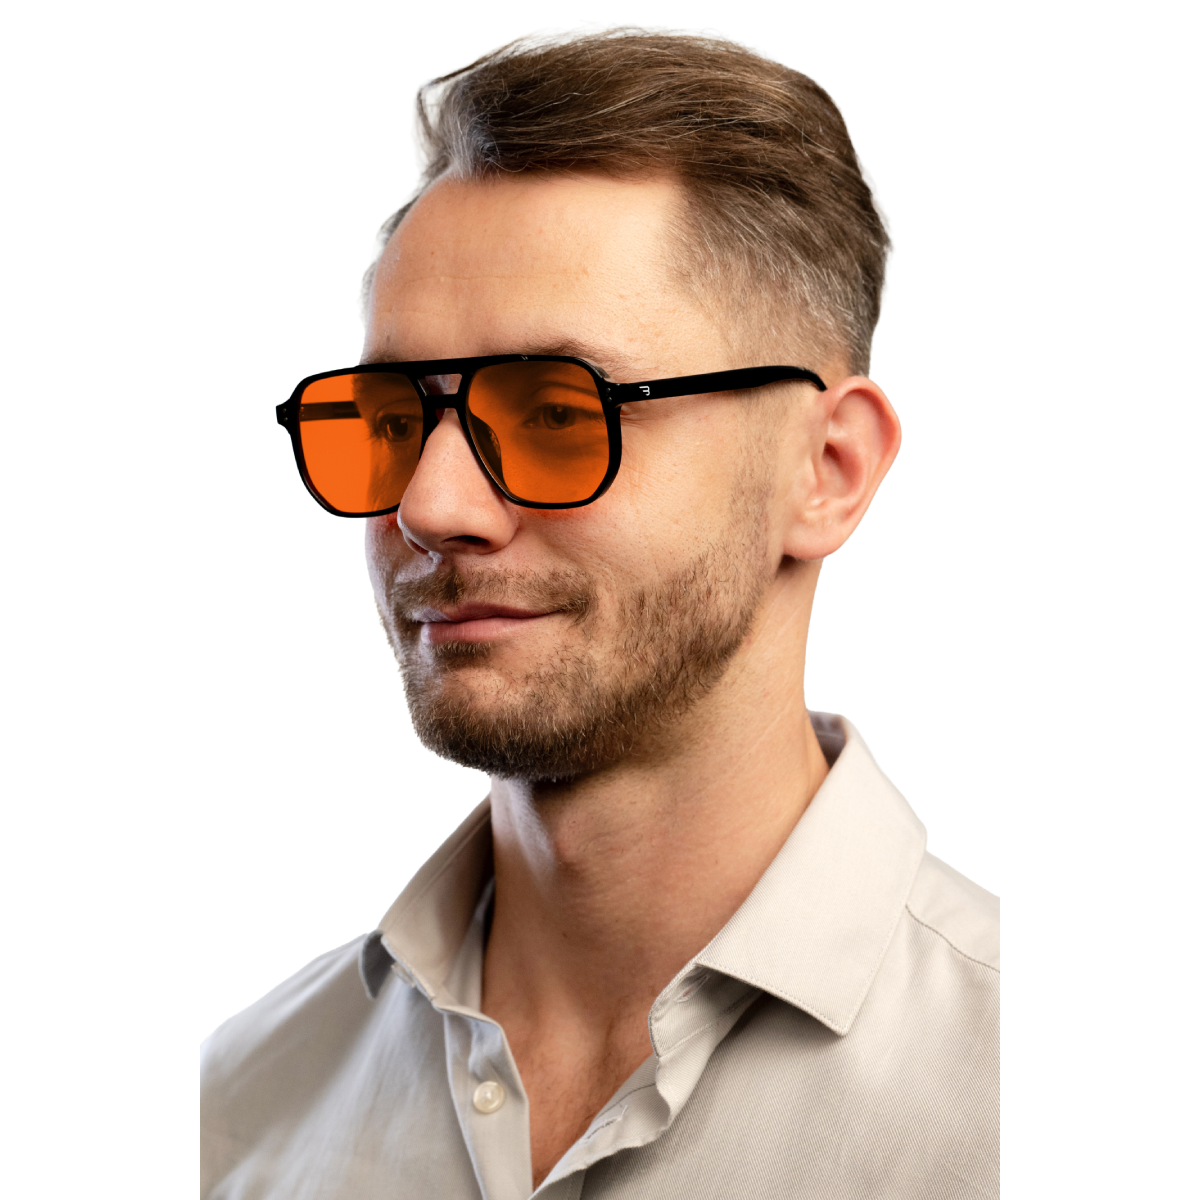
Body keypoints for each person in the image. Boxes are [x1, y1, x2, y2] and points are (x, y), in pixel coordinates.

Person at [201, 30, 999, 1200]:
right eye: (392, 417)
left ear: (826, 469)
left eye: (559, 414)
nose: (432, 505)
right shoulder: (243, 1113)